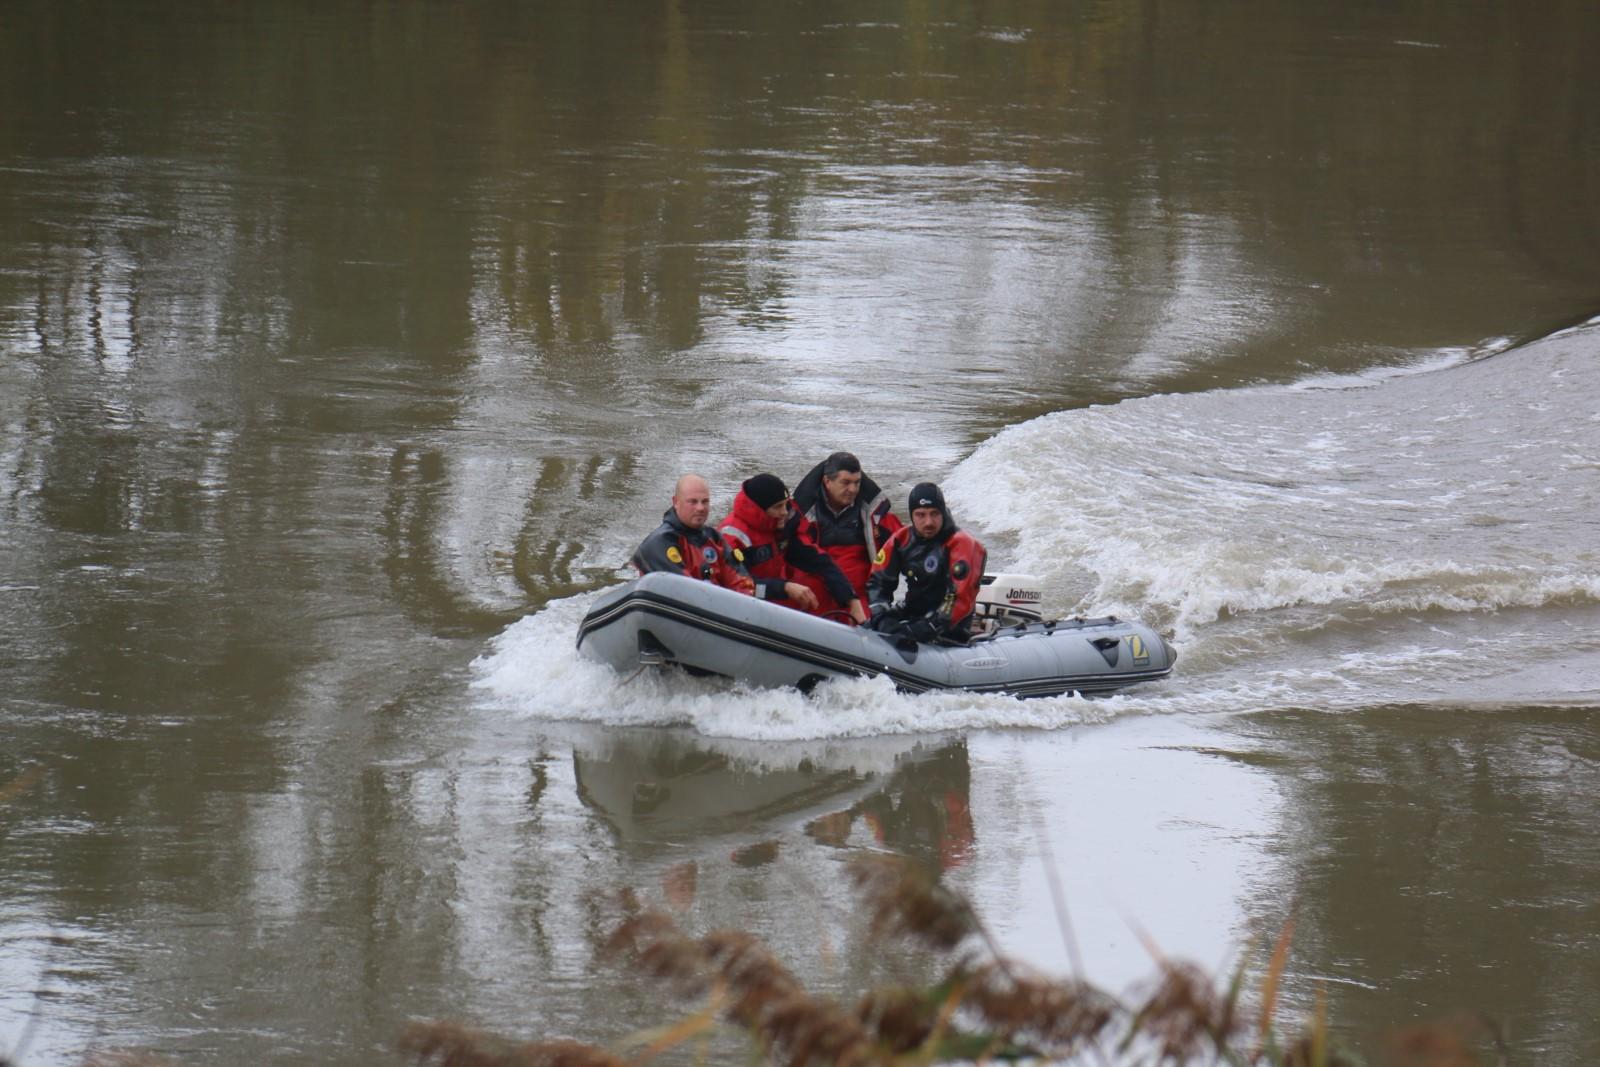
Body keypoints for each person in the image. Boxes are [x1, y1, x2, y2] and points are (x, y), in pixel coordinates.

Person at [718, 473, 868, 622]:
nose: (784, 512)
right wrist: (785, 588)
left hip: (773, 594)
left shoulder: (782, 526)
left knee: (817, 583)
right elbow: (736, 584)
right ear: (760, 510)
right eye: (778, 507)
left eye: (785, 504)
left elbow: (819, 561)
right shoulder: (732, 536)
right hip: (744, 604)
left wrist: (851, 599)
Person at [865, 482, 986, 643]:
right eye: (921, 515)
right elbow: (878, 582)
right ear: (912, 516)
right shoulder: (901, 540)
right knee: (869, 626)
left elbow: (958, 598)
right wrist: (881, 618)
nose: (928, 522)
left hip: (951, 626)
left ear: (943, 513)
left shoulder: (962, 544)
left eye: (934, 514)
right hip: (913, 611)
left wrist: (929, 627)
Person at [790, 451, 904, 617]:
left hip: (860, 601)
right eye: (846, 482)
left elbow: (907, 543)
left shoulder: (876, 516)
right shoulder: (798, 515)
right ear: (827, 481)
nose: (852, 489)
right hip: (811, 602)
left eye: (857, 483)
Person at [630, 474, 754, 595]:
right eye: (693, 502)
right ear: (676, 502)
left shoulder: (715, 539)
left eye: (705, 501)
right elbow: (684, 590)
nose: (700, 508)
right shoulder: (660, 542)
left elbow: (741, 583)